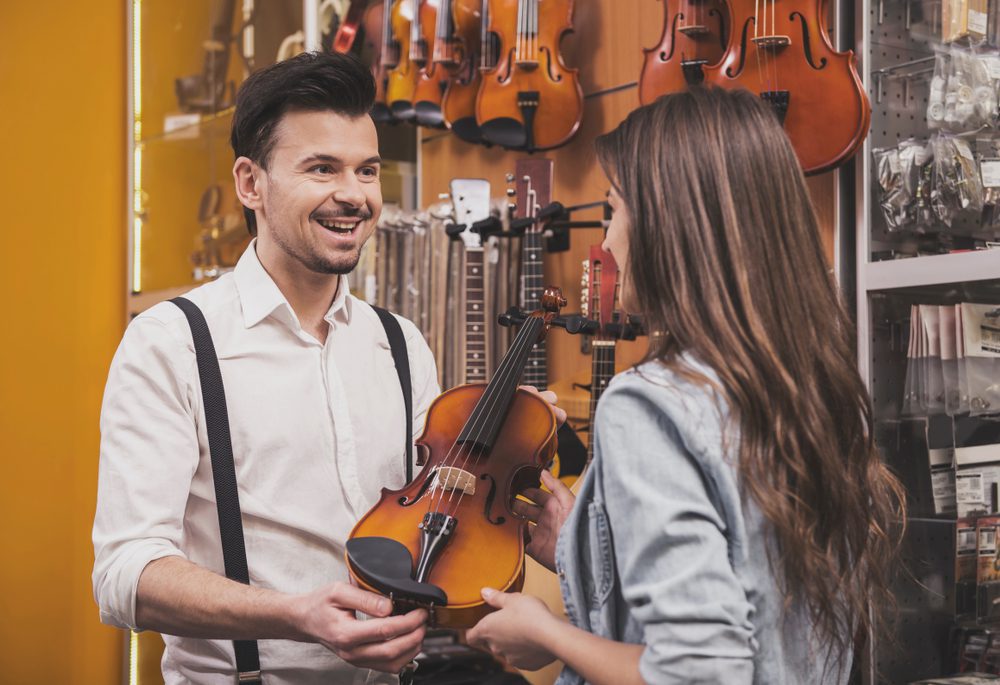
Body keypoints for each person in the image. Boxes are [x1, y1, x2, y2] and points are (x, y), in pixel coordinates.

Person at [466, 86, 906, 684]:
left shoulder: (648, 405)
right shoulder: (819, 391)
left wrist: (546, 633)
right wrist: (584, 544)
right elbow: (759, 595)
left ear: (672, 227)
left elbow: (699, 672)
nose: (607, 243)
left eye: (614, 210)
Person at [93, 52, 438, 684]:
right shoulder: (172, 342)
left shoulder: (402, 344)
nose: (353, 196)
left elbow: (431, 529)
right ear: (251, 183)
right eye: (321, 168)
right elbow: (124, 576)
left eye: (367, 170)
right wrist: (294, 615)